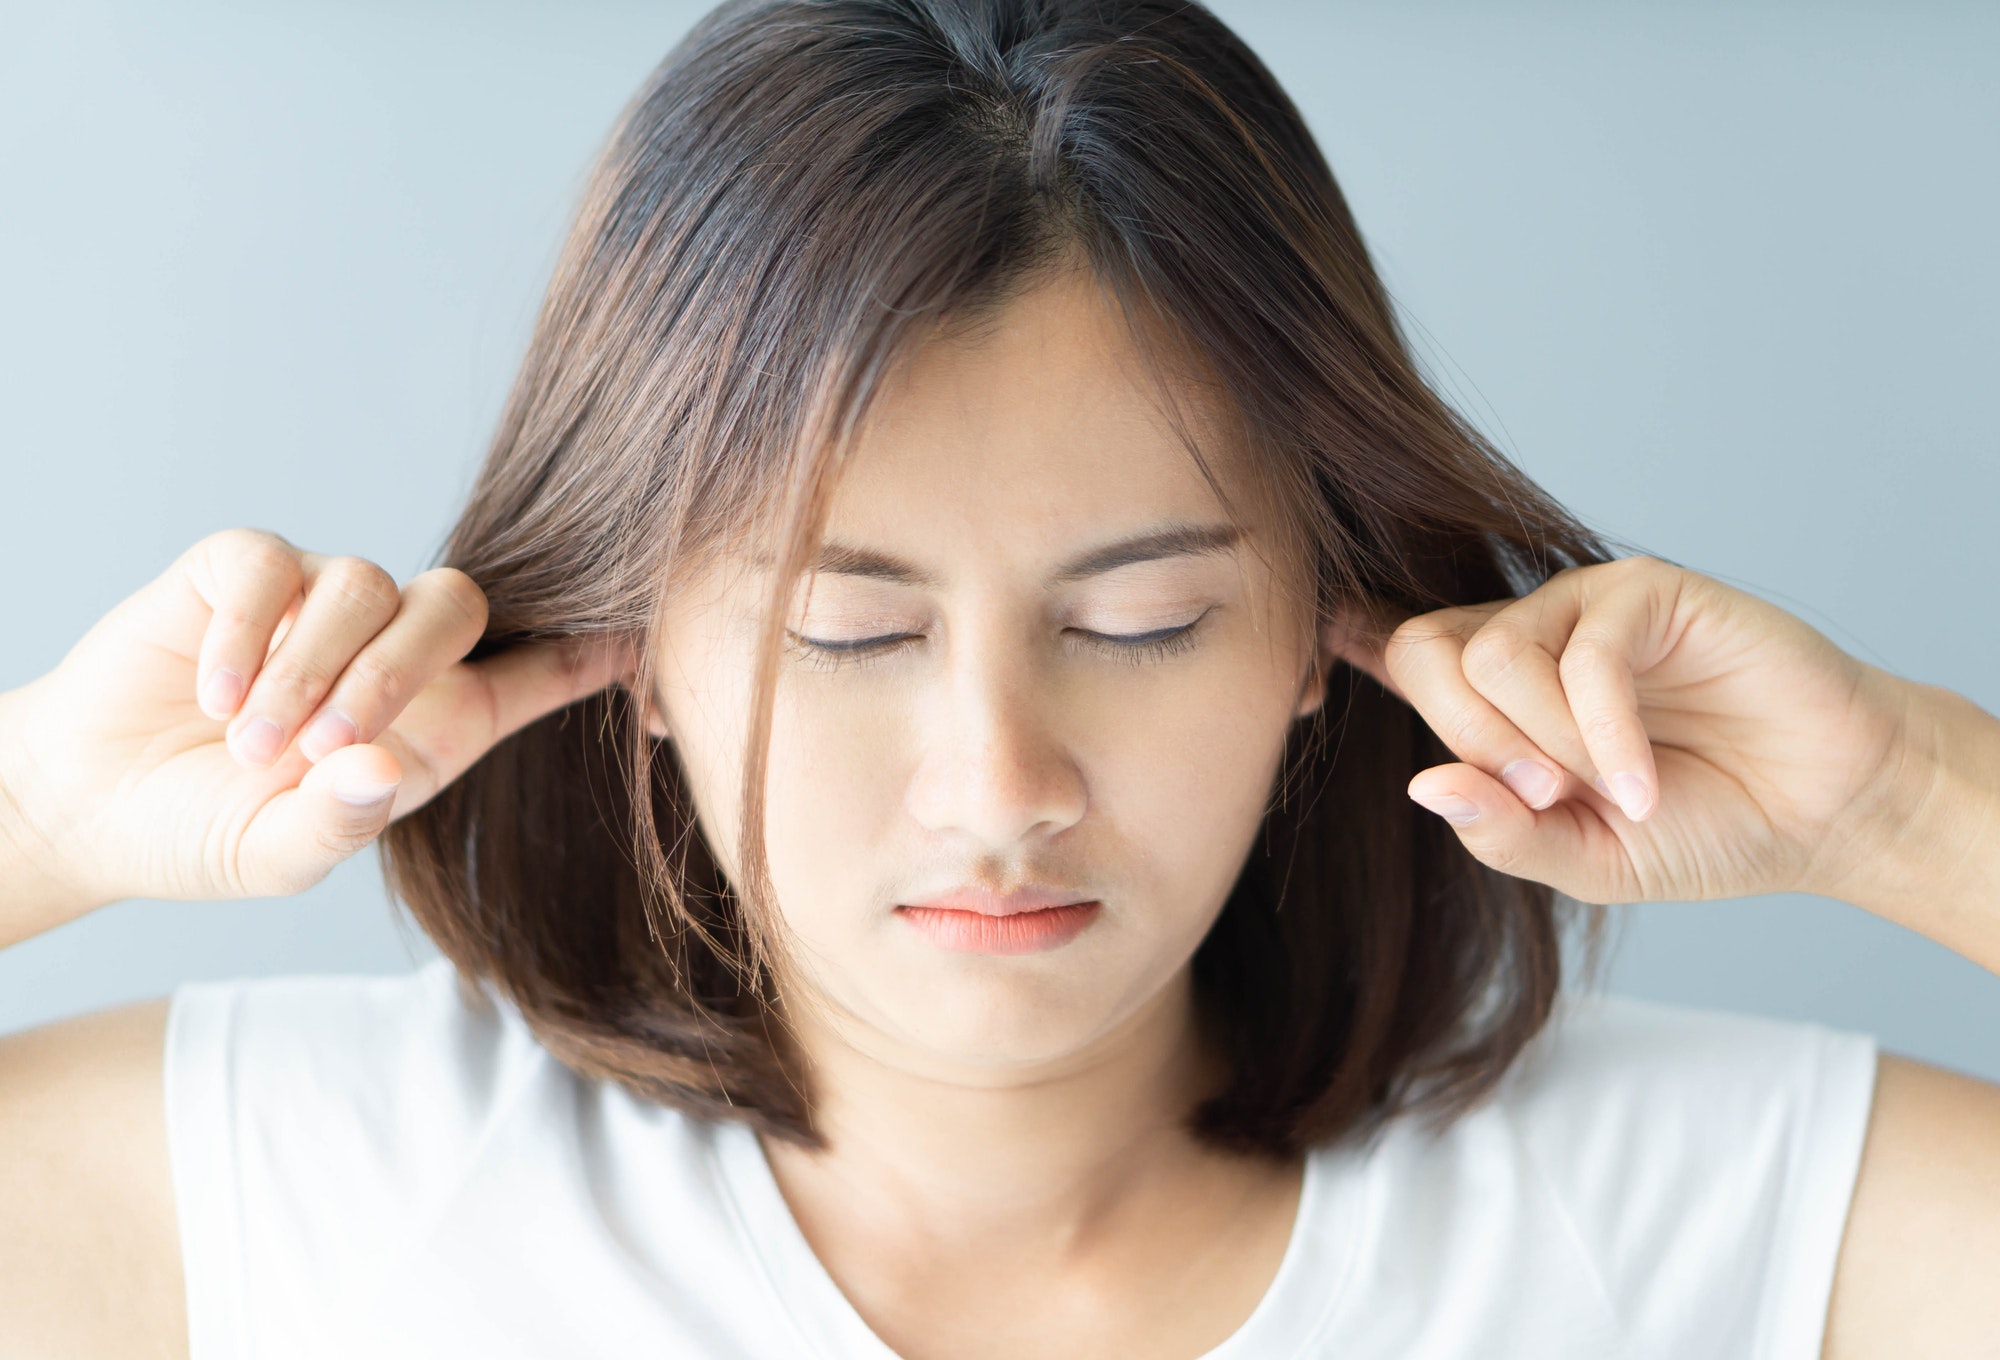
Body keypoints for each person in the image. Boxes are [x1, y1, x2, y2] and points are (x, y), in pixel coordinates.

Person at [2, 0, 1996, 1355]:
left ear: (1321, 629)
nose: (996, 778)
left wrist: (1903, 796)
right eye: (847, 629)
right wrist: (33, 813)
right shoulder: (294, 1191)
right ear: (642, 651)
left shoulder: (1704, 1211)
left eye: (1139, 622)